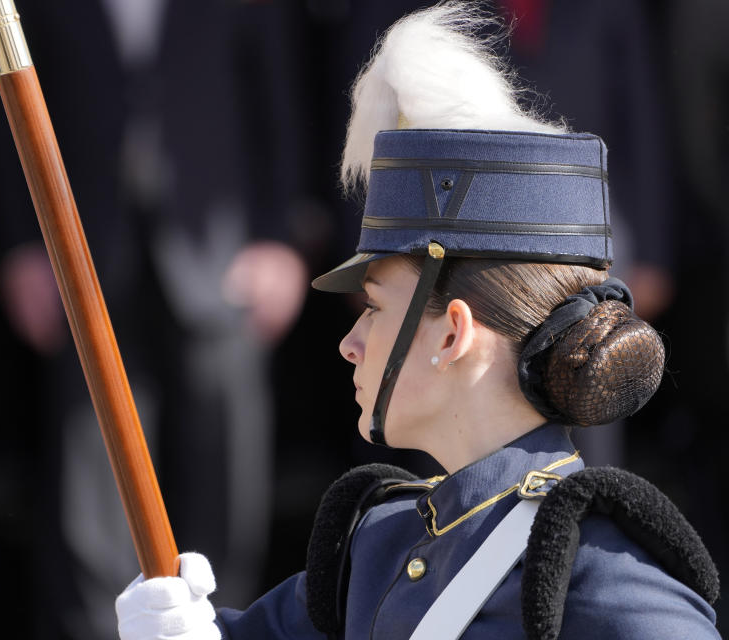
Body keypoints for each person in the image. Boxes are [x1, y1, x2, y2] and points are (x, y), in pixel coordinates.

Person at [111, 3, 720, 639]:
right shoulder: (372, 549)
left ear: (454, 334)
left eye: (374, 309)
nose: (348, 343)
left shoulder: (605, 580)